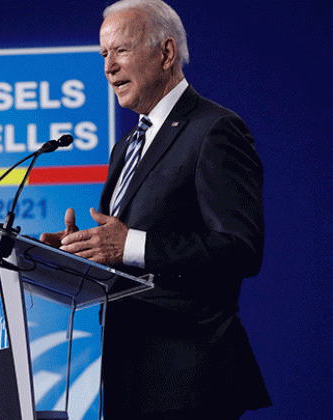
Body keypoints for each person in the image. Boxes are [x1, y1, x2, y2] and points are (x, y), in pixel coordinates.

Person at [39, 0, 272, 418]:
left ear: (166, 53)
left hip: (189, 374)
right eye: (104, 55)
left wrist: (129, 245)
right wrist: (78, 252)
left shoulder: (214, 130)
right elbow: (120, 257)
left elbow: (240, 248)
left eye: (121, 51)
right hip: (129, 369)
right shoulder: (126, 147)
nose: (109, 67)